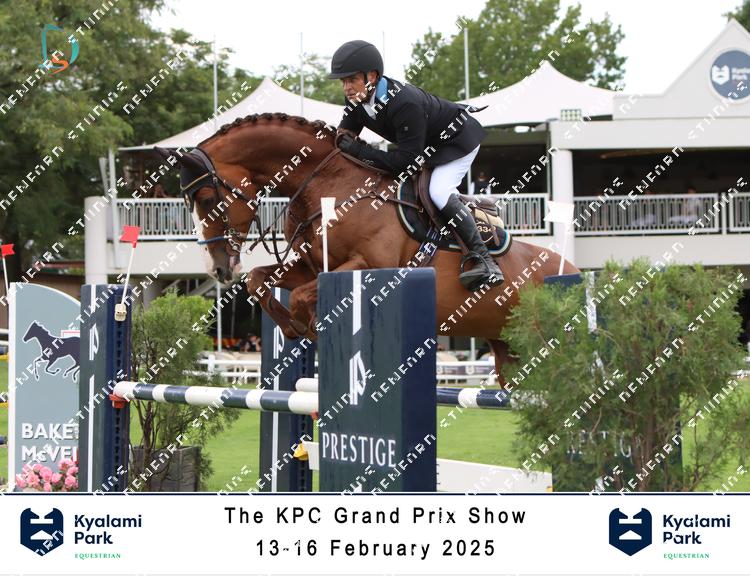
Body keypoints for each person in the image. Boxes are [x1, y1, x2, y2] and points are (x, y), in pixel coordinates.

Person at [329, 40, 503, 290]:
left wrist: (360, 150)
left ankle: (485, 260)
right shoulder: (357, 99)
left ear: (372, 76)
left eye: (351, 80)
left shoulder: (404, 103)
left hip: (456, 141)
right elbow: (344, 138)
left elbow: (405, 163)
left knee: (438, 191)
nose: (346, 87)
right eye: (343, 81)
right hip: (424, 148)